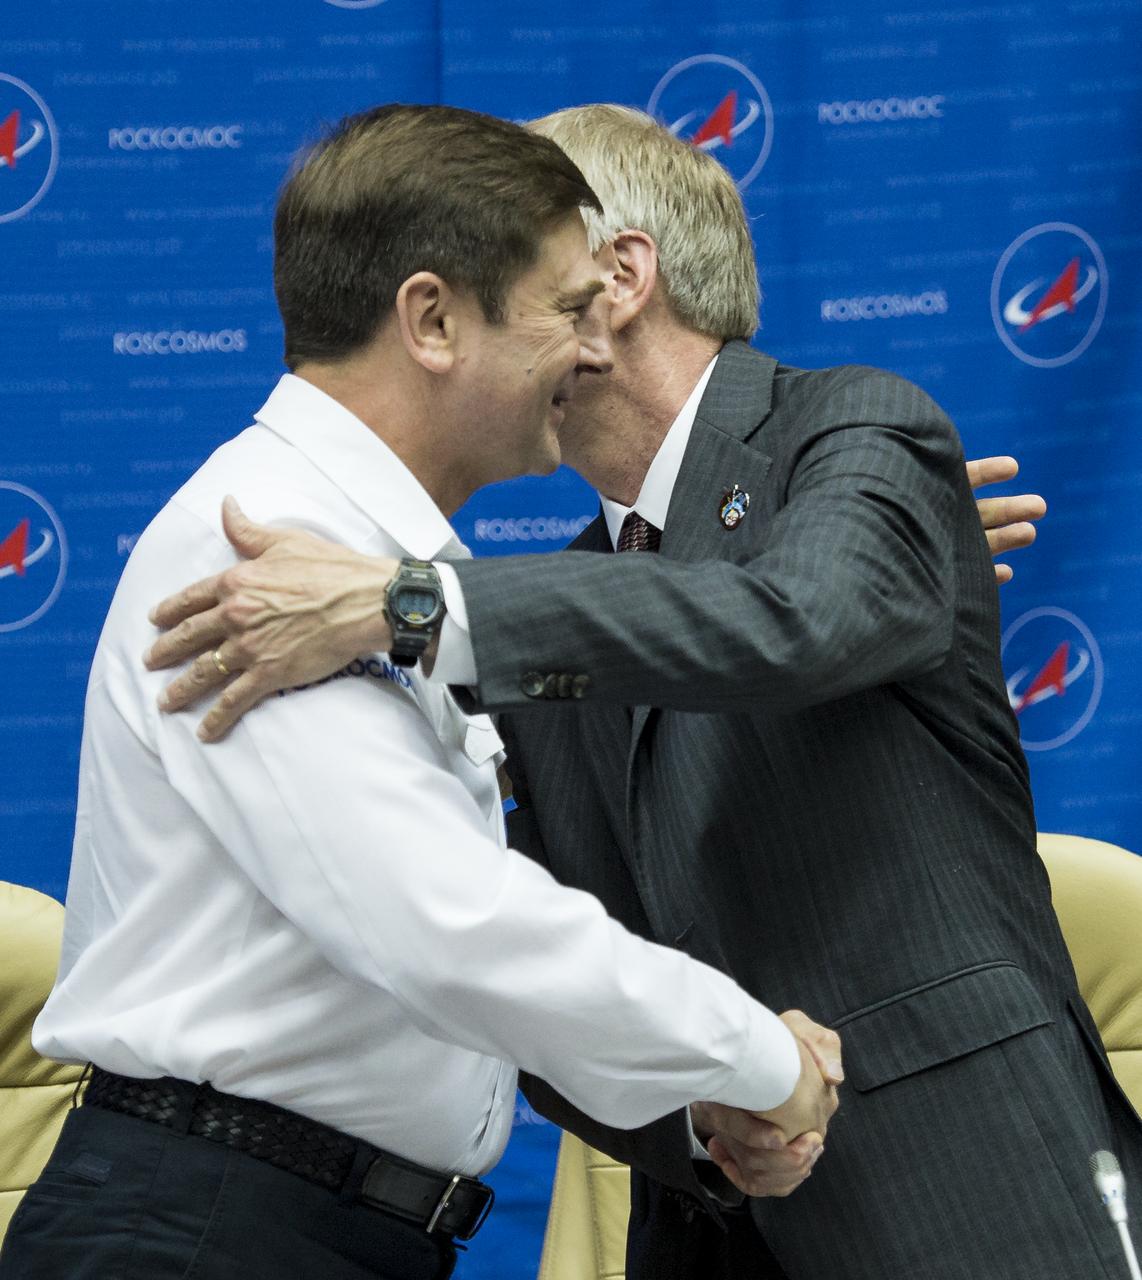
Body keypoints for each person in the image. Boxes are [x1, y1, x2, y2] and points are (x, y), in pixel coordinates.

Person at [140, 106, 1142, 1279]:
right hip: (714, 1227)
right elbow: (535, 954)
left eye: (507, 277)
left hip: (967, 1191)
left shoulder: (856, 431)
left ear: (615, 281)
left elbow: (794, 621)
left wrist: (414, 606)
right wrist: (697, 1124)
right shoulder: (564, 597)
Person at [0, 105, 846, 1280]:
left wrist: (849, 561)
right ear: (433, 319)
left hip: (302, 1228)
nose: (593, 350)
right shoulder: (263, 550)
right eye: (563, 310)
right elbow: (447, 924)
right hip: (206, 1231)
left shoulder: (384, 570)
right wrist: (759, 1057)